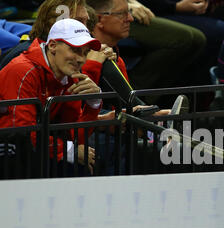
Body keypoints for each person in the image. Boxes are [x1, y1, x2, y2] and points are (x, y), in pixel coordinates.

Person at [0, 18, 102, 177]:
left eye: (85, 52)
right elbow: (22, 131)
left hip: (28, 148)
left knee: (84, 162)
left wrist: (93, 104)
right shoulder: (22, 70)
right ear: (53, 46)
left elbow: (73, 135)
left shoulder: (70, 77)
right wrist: (69, 151)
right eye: (75, 50)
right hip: (10, 147)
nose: (81, 59)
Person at [123, 0, 206, 91]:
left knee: (198, 39)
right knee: (182, 38)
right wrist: (126, 5)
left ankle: (161, 95)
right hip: (111, 11)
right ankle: (130, 91)